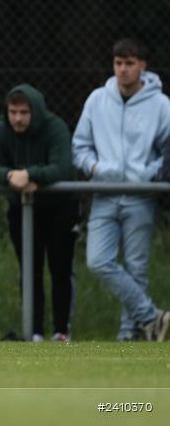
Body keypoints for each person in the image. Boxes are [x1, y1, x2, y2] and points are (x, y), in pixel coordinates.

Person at [73, 38, 170, 342]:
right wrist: (95, 169)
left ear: (142, 66)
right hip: (105, 194)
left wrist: (148, 174)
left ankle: (130, 334)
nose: (123, 70)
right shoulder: (97, 100)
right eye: (118, 63)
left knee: (137, 266)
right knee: (98, 261)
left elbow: (166, 152)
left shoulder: (162, 105)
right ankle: (152, 317)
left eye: (129, 63)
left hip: (141, 197)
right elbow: (79, 146)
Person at [0, 84, 78, 342]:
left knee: (60, 269)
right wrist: (10, 176)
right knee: (29, 270)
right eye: (13, 112)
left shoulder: (55, 128)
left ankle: (61, 331)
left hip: (59, 209)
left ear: (35, 111)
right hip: (21, 210)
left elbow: (62, 168)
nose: (18, 118)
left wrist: (32, 175)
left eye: (23, 112)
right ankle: (34, 331)